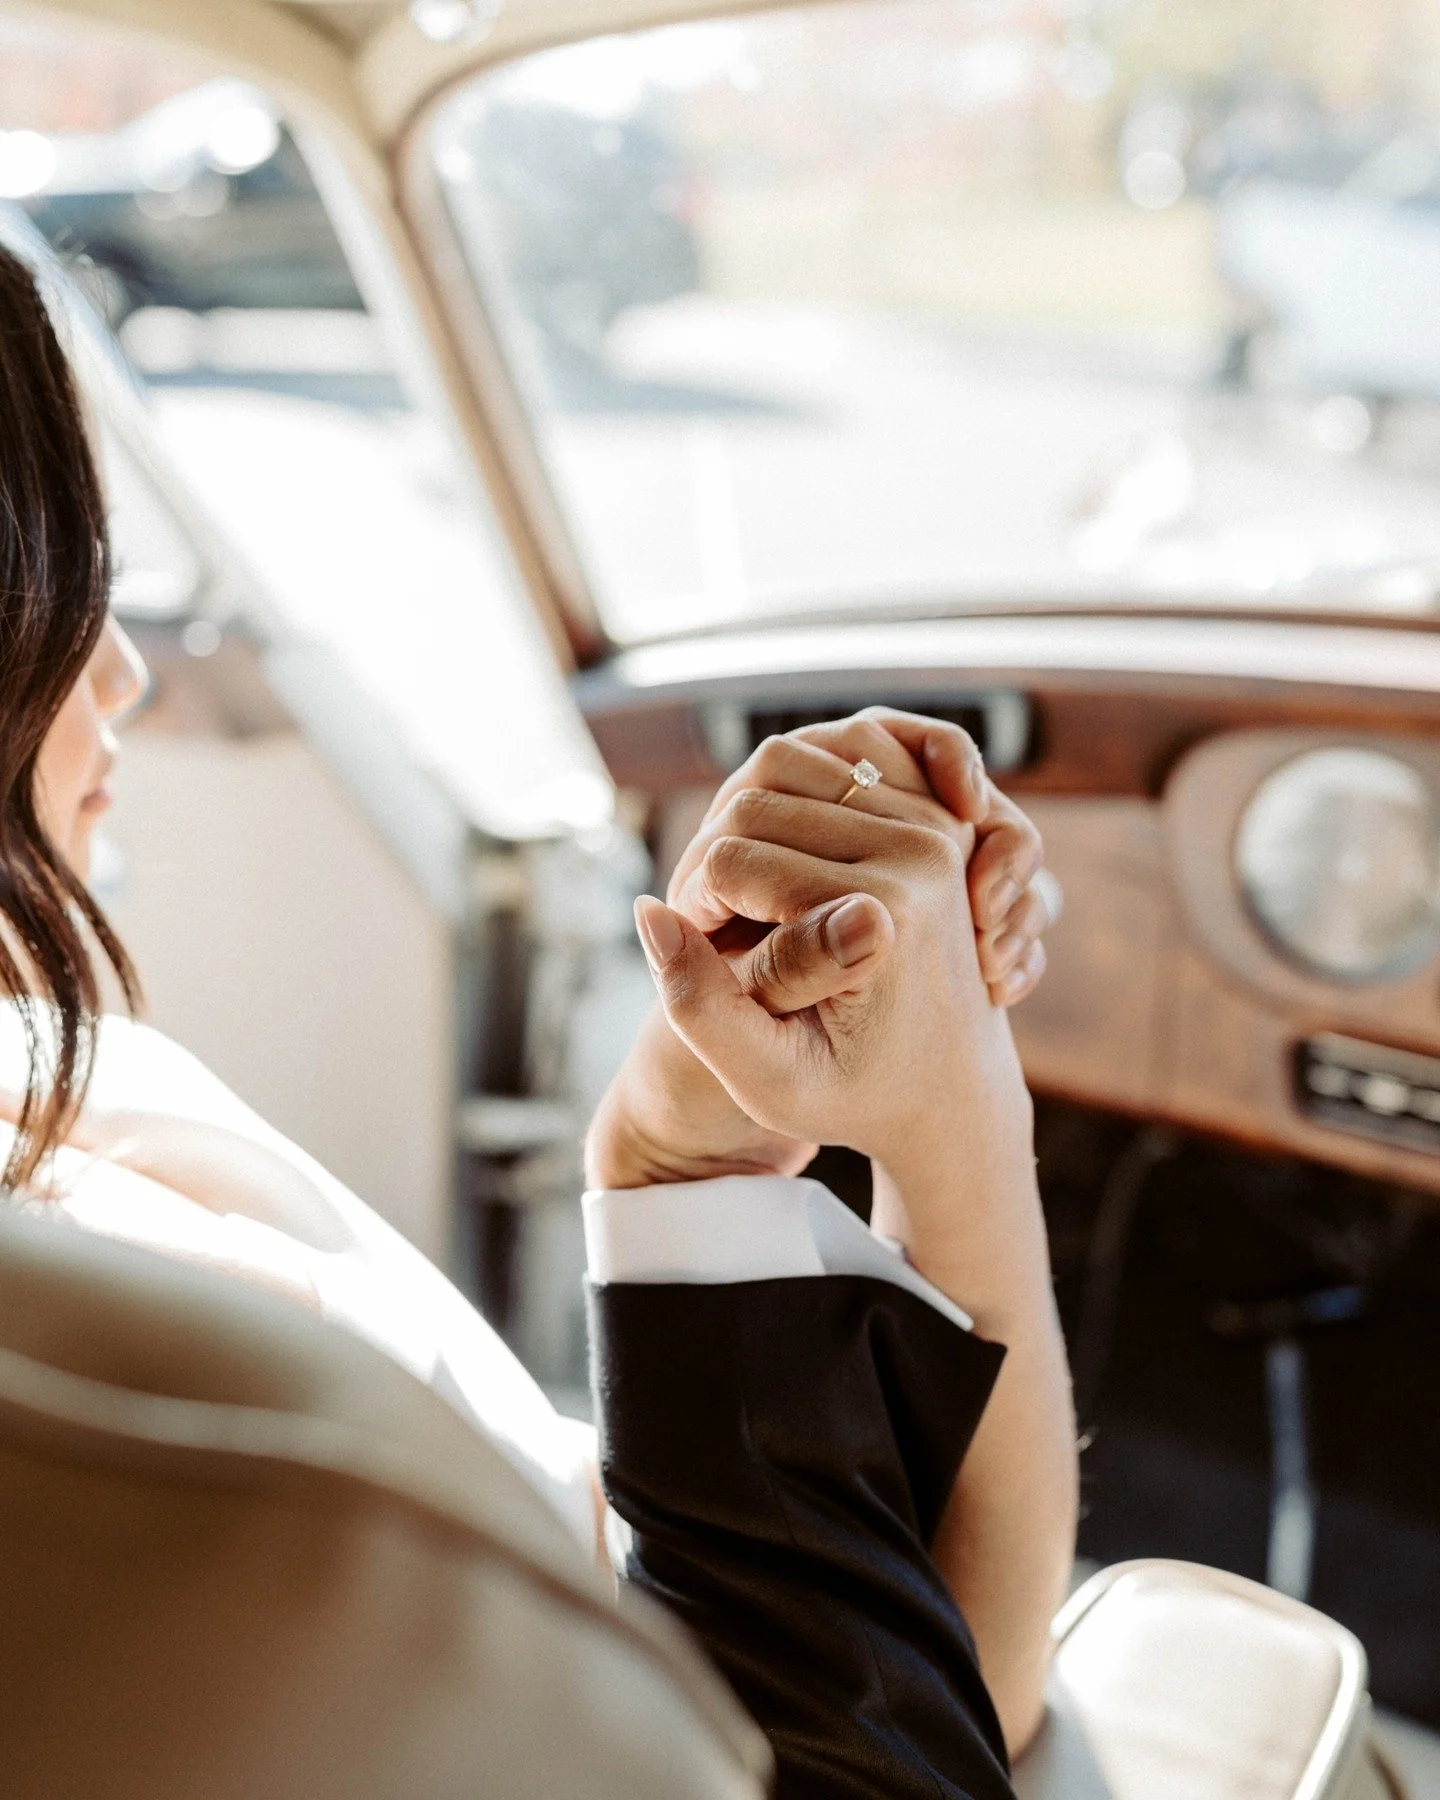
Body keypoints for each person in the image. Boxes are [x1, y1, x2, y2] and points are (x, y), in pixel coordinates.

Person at [0, 236, 1074, 1795]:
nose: (120, 671)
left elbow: (837, 1639)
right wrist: (959, 1116)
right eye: (51, 573)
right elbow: (922, 1732)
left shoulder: (68, 1107)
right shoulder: (165, 1376)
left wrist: (680, 1162)